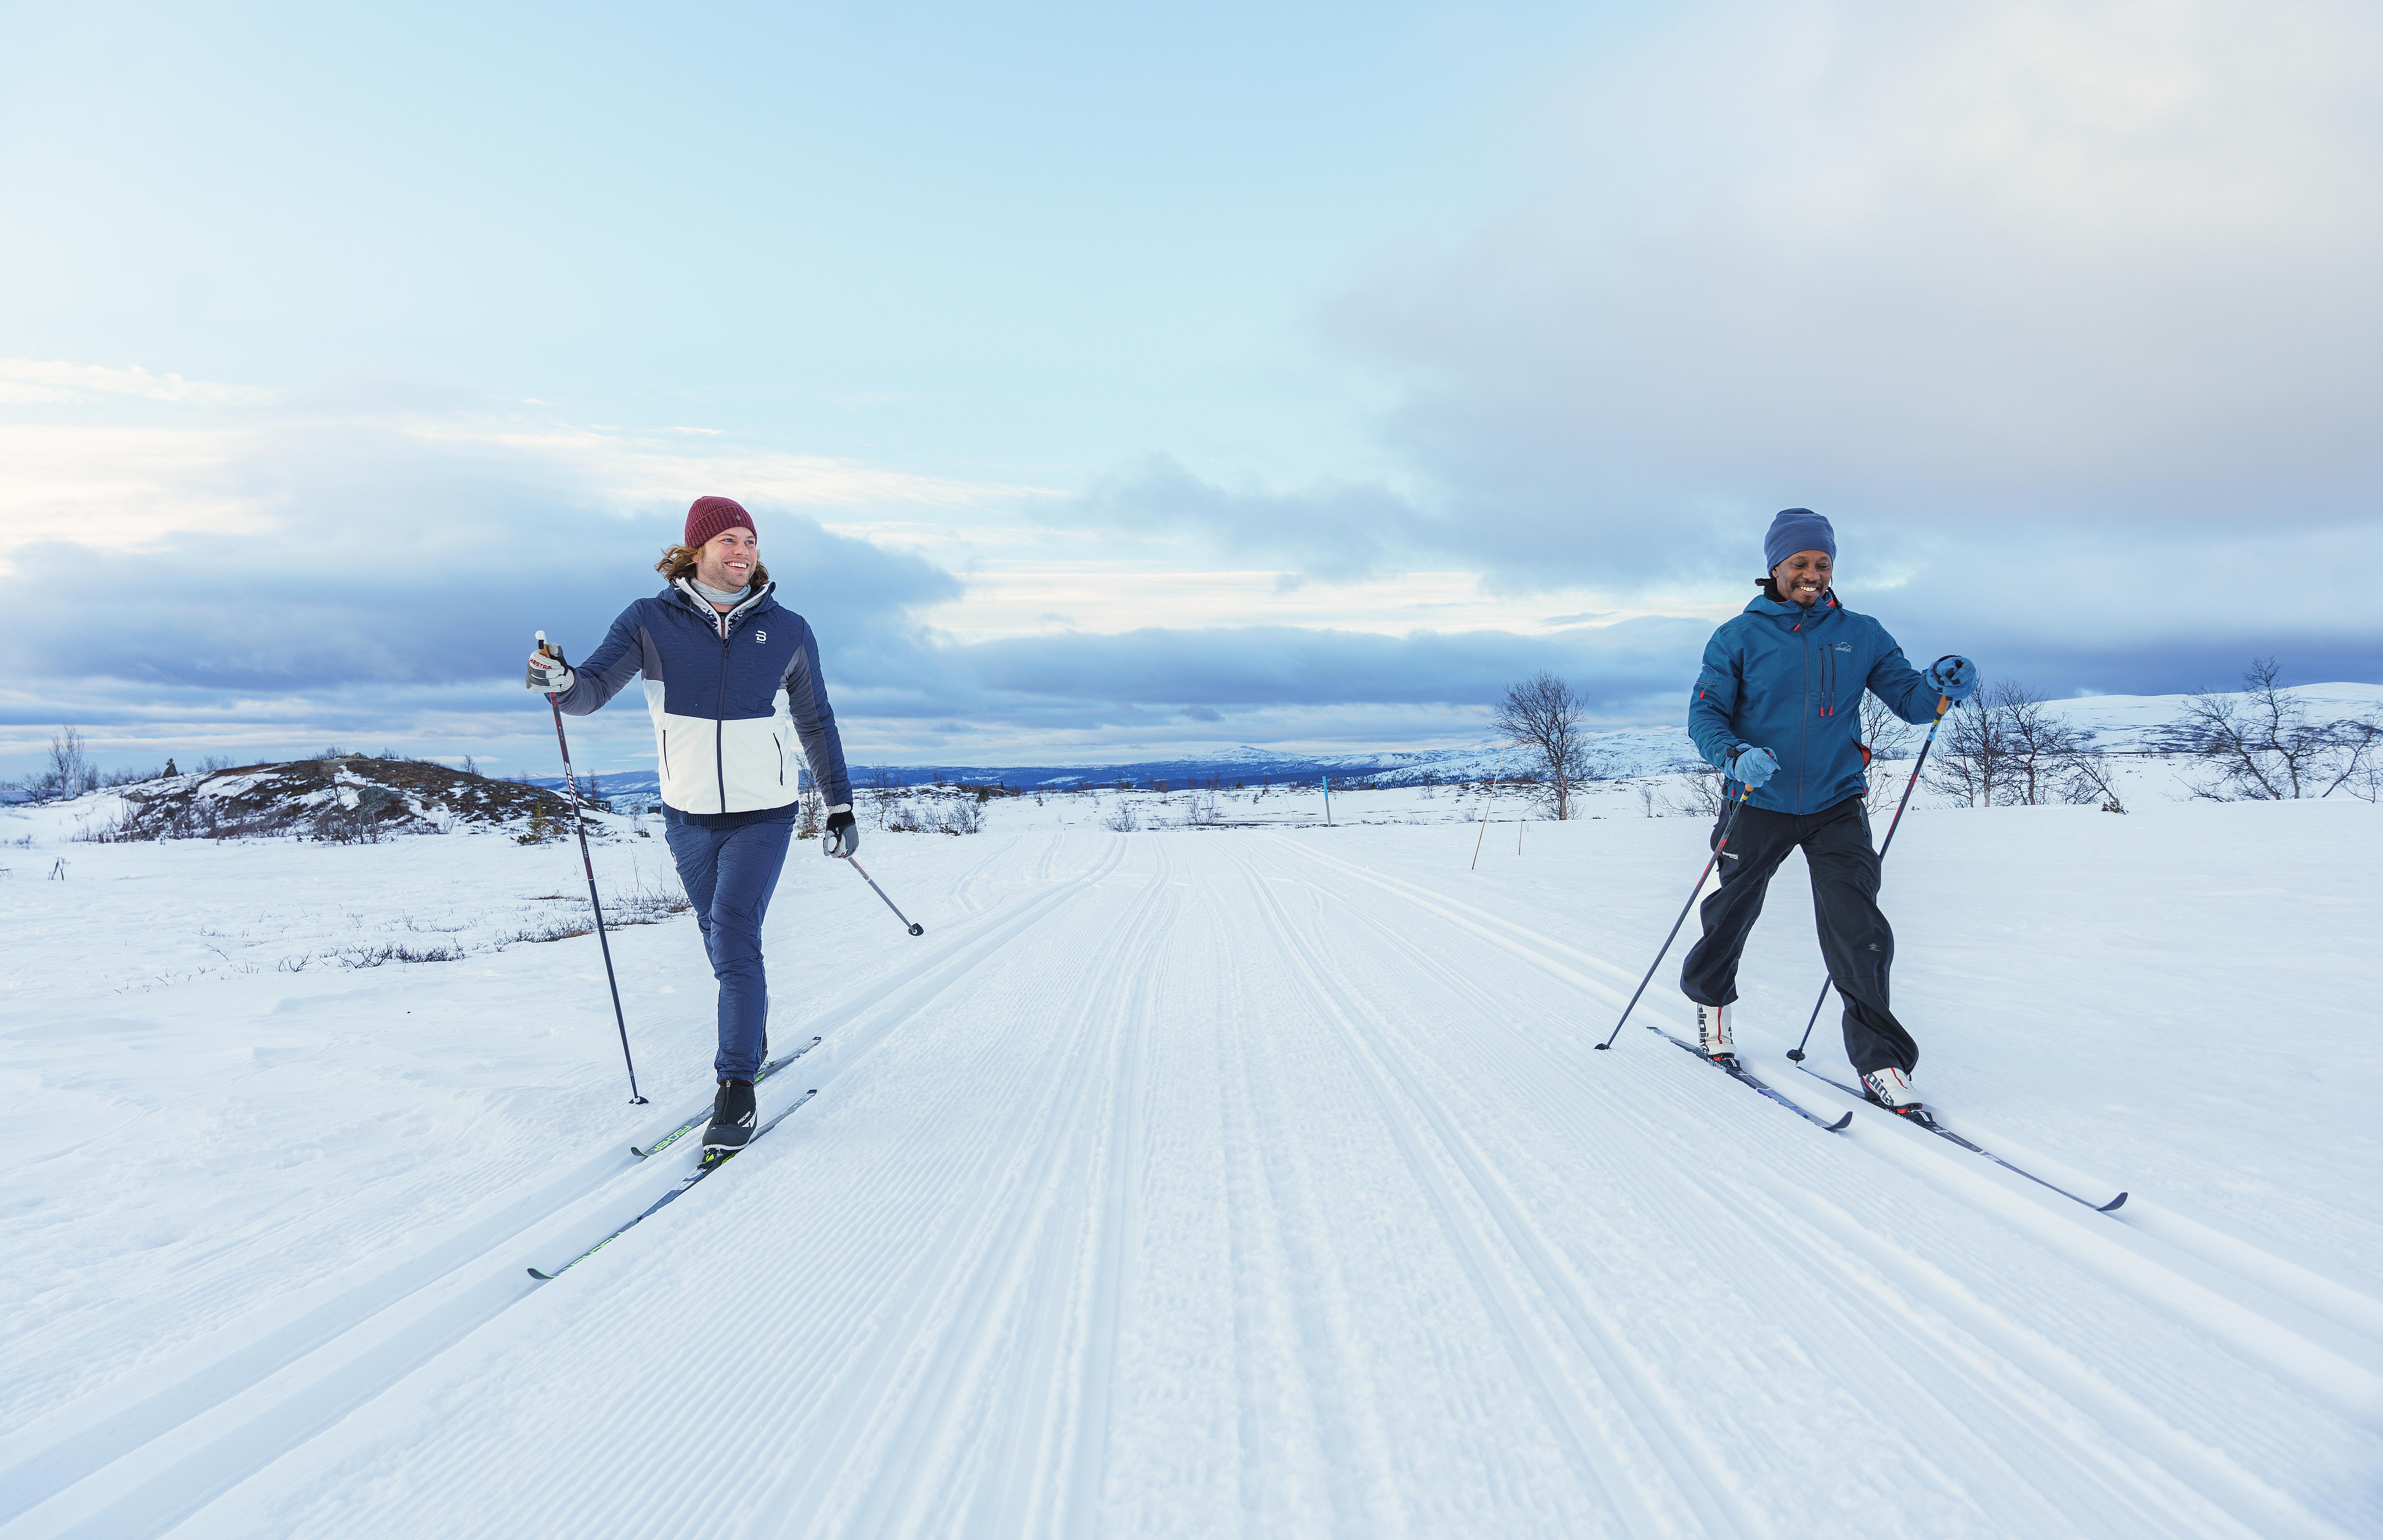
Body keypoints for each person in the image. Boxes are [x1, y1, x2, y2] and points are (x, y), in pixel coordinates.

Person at [527, 495, 858, 1152]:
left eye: (752, 542)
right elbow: (591, 691)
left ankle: (736, 1087)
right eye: (730, 541)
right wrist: (560, 681)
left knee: (735, 933)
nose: (743, 553)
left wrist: (840, 802)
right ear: (697, 549)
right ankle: (750, 1028)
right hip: (687, 814)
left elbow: (815, 718)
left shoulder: (788, 628)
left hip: (764, 813)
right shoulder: (651, 621)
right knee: (718, 940)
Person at [1679, 508, 1977, 1115]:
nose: (1812, 574)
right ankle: (1712, 1009)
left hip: (1835, 801)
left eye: (1822, 563)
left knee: (1858, 928)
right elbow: (1703, 716)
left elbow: (1911, 700)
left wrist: (1940, 686)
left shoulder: (1861, 633)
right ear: (1775, 568)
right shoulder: (1738, 637)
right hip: (1755, 798)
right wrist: (1734, 755)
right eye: (1800, 564)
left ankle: (1882, 1062)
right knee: (1730, 913)